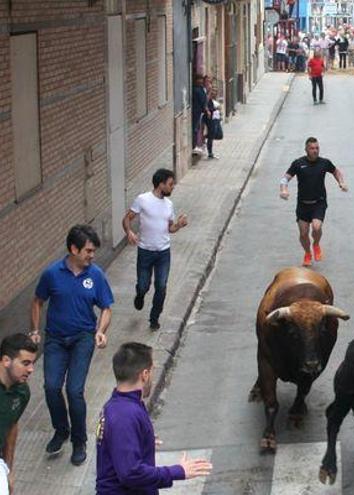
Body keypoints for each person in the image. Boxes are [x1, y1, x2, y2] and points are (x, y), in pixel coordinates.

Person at [31, 224, 114, 466]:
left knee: (74, 390)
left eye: (93, 251)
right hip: (55, 340)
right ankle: (61, 430)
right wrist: (34, 330)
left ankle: (79, 441)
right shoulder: (52, 274)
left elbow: (106, 307)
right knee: (51, 387)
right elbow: (37, 301)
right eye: (88, 251)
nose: (92, 255)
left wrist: (100, 331)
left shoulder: (96, 275)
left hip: (82, 339)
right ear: (73, 249)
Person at [96, 342, 212, 493]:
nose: (152, 375)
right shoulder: (125, 415)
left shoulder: (117, 406)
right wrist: (177, 471)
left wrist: (144, 439)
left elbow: (119, 447)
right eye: (152, 371)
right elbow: (130, 473)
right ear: (144, 375)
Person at [122, 168, 189, 331]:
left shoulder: (169, 205)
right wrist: (129, 231)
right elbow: (127, 218)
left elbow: (170, 229)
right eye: (170, 184)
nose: (173, 187)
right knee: (144, 285)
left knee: (161, 286)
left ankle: (154, 318)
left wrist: (178, 225)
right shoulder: (143, 199)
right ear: (161, 184)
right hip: (145, 251)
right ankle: (140, 294)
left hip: (163, 253)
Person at [279, 137, 349, 266]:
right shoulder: (298, 163)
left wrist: (341, 182)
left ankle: (316, 244)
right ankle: (307, 253)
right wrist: (283, 190)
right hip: (303, 204)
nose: (315, 151)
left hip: (319, 203)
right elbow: (285, 178)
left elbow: (336, 172)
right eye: (312, 148)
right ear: (306, 149)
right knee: (303, 234)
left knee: (316, 227)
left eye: (317, 148)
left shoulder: (324, 163)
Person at [0, 334, 38, 494]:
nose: (31, 369)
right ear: (6, 361)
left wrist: (9, 470)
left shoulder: (22, 392)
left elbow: (12, 426)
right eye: (25, 363)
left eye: (32, 363)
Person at [191, 75, 209, 153]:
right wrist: (206, 110)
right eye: (199, 80)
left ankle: (197, 145)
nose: (201, 81)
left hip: (199, 112)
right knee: (195, 128)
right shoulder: (197, 89)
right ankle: (194, 146)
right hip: (197, 112)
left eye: (201, 80)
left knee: (198, 128)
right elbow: (203, 101)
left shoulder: (200, 88)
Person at [205, 89, 221, 159]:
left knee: (216, 135)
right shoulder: (208, 101)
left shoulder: (214, 101)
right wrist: (215, 109)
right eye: (212, 94)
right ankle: (210, 153)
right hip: (210, 121)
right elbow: (208, 109)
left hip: (215, 120)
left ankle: (210, 152)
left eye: (215, 94)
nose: (214, 95)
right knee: (210, 137)